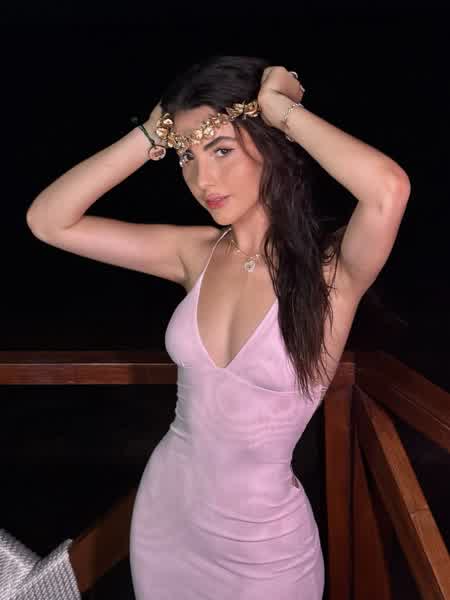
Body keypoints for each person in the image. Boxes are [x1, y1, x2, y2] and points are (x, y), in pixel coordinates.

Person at [26, 55, 410, 599]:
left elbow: (388, 189)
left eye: (222, 149)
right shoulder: (194, 253)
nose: (202, 179)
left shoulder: (332, 273)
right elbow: (48, 221)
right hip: (166, 521)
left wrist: (280, 109)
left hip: (266, 551)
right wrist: (149, 134)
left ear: (269, 144)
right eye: (187, 156)